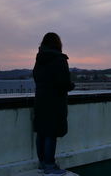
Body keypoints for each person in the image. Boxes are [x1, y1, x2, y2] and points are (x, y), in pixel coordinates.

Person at [33, 32, 74, 175]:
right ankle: (50, 166)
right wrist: (71, 85)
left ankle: (43, 163)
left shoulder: (39, 59)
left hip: (41, 100)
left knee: (42, 132)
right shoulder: (59, 59)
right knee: (51, 132)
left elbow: (37, 78)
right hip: (55, 101)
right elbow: (63, 83)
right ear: (58, 44)